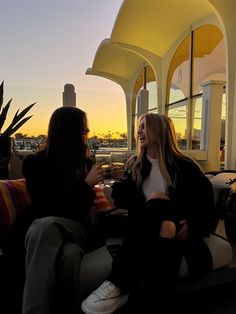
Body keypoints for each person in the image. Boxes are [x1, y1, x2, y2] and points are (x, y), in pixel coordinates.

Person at [81, 113, 215, 314]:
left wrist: (192, 223)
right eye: (139, 127)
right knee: (164, 226)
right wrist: (123, 182)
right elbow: (123, 201)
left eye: (144, 126)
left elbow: (204, 203)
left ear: (159, 130)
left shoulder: (185, 167)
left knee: (159, 204)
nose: (139, 131)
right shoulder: (135, 164)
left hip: (176, 225)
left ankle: (118, 284)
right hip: (153, 228)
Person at [1, 106, 110, 314]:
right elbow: (47, 206)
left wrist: (88, 185)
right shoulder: (35, 164)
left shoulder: (83, 163)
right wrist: (85, 185)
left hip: (75, 228)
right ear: (68, 132)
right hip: (46, 229)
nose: (87, 135)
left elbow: (78, 212)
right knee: (67, 252)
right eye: (83, 131)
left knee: (43, 226)